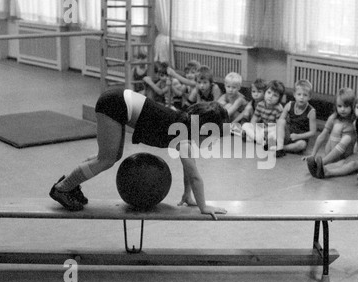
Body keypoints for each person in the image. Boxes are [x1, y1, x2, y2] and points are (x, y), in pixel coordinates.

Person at [49, 88, 228, 219]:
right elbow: (195, 176)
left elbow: (190, 168)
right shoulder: (184, 138)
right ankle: (63, 188)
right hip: (115, 104)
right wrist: (203, 207)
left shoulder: (186, 127)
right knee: (106, 159)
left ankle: (70, 185)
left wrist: (188, 196)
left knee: (109, 157)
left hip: (118, 100)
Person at [316, 93, 358, 179]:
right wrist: (355, 154)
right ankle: (321, 167)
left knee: (353, 164)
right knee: (345, 161)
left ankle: (328, 173)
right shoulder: (356, 122)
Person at [306, 88, 356, 178]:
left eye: (346, 106)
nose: (343, 109)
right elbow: (322, 136)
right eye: (340, 106)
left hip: (346, 153)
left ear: (352, 106)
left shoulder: (355, 120)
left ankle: (321, 164)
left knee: (347, 138)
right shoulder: (333, 118)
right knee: (337, 127)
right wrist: (313, 155)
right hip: (331, 150)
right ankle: (321, 162)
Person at [275, 80, 317, 158]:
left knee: (302, 145)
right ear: (294, 95)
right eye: (299, 94)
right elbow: (280, 121)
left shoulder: (311, 112)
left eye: (305, 95)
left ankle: (281, 148)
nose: (301, 97)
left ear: (309, 97)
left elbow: (313, 132)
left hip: (299, 138)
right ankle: (279, 146)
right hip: (287, 134)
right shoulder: (289, 105)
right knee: (281, 121)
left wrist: (298, 136)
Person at [241, 80, 285, 149]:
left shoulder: (279, 108)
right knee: (245, 125)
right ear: (265, 93)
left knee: (274, 133)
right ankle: (262, 141)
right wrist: (256, 130)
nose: (270, 96)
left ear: (279, 98)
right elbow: (253, 120)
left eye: (275, 95)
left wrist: (265, 131)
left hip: (271, 130)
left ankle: (259, 140)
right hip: (262, 130)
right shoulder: (260, 104)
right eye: (269, 93)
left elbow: (278, 127)